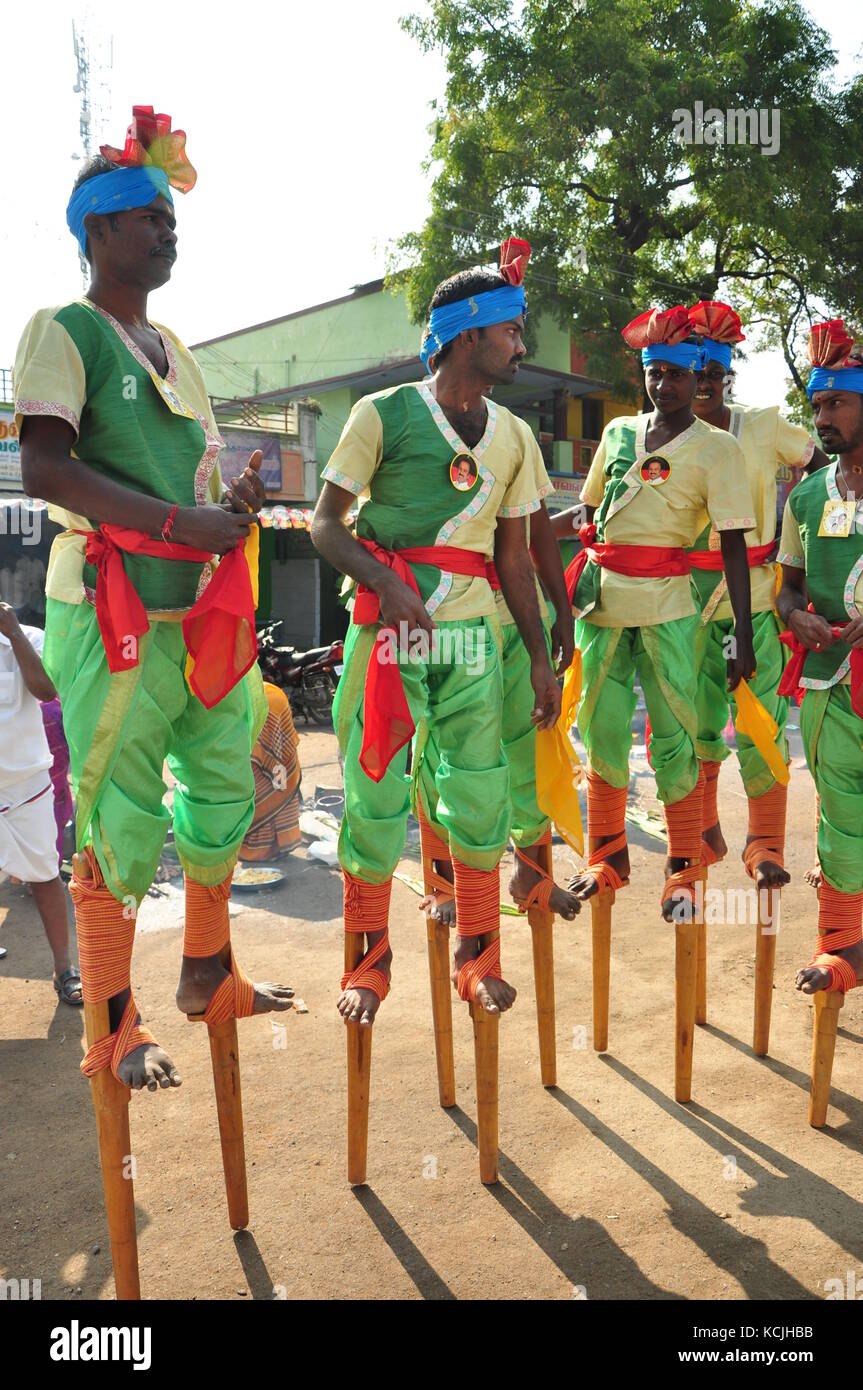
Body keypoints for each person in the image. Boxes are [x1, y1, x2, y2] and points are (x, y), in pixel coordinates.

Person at [311, 237, 560, 1029]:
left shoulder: (515, 436)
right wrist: (384, 583)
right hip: (390, 633)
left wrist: (539, 655)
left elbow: (515, 557)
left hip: (471, 638)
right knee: (377, 790)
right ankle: (367, 966)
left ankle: (477, 959)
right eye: (512, 331)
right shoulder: (380, 414)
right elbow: (325, 526)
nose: (522, 346)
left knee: (480, 788)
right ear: (468, 335)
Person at [562, 305, 756, 919]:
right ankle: (607, 853)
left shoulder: (718, 449)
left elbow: (731, 545)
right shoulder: (618, 434)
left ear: (696, 375)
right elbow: (586, 516)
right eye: (654, 374)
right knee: (602, 726)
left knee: (673, 736)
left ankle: (683, 866)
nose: (663, 386)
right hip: (602, 604)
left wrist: (743, 636)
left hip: (673, 606)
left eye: (675, 375)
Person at [686, 300, 829, 890]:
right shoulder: (662, 437)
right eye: (690, 374)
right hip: (685, 596)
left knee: (761, 719)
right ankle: (701, 828)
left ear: (726, 377)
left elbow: (818, 464)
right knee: (689, 715)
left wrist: (797, 514)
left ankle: (764, 840)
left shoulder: (765, 424)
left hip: (762, 595)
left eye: (712, 375)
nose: (701, 386)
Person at [775, 320, 863, 999]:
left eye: (836, 403)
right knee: (837, 808)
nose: (822, 417)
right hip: (830, 678)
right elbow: (788, 586)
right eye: (815, 405)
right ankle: (842, 944)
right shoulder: (805, 497)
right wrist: (795, 614)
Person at [0, 603, 81, 1003]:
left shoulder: (27, 637)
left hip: (26, 786)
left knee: (45, 877)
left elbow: (48, 690)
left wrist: (12, 632)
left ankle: (64, 968)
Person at [239, 681, 302, 861]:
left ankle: (259, 850)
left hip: (265, 714)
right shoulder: (264, 690)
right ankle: (283, 842)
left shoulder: (250, 698)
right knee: (274, 786)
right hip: (271, 711)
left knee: (259, 792)